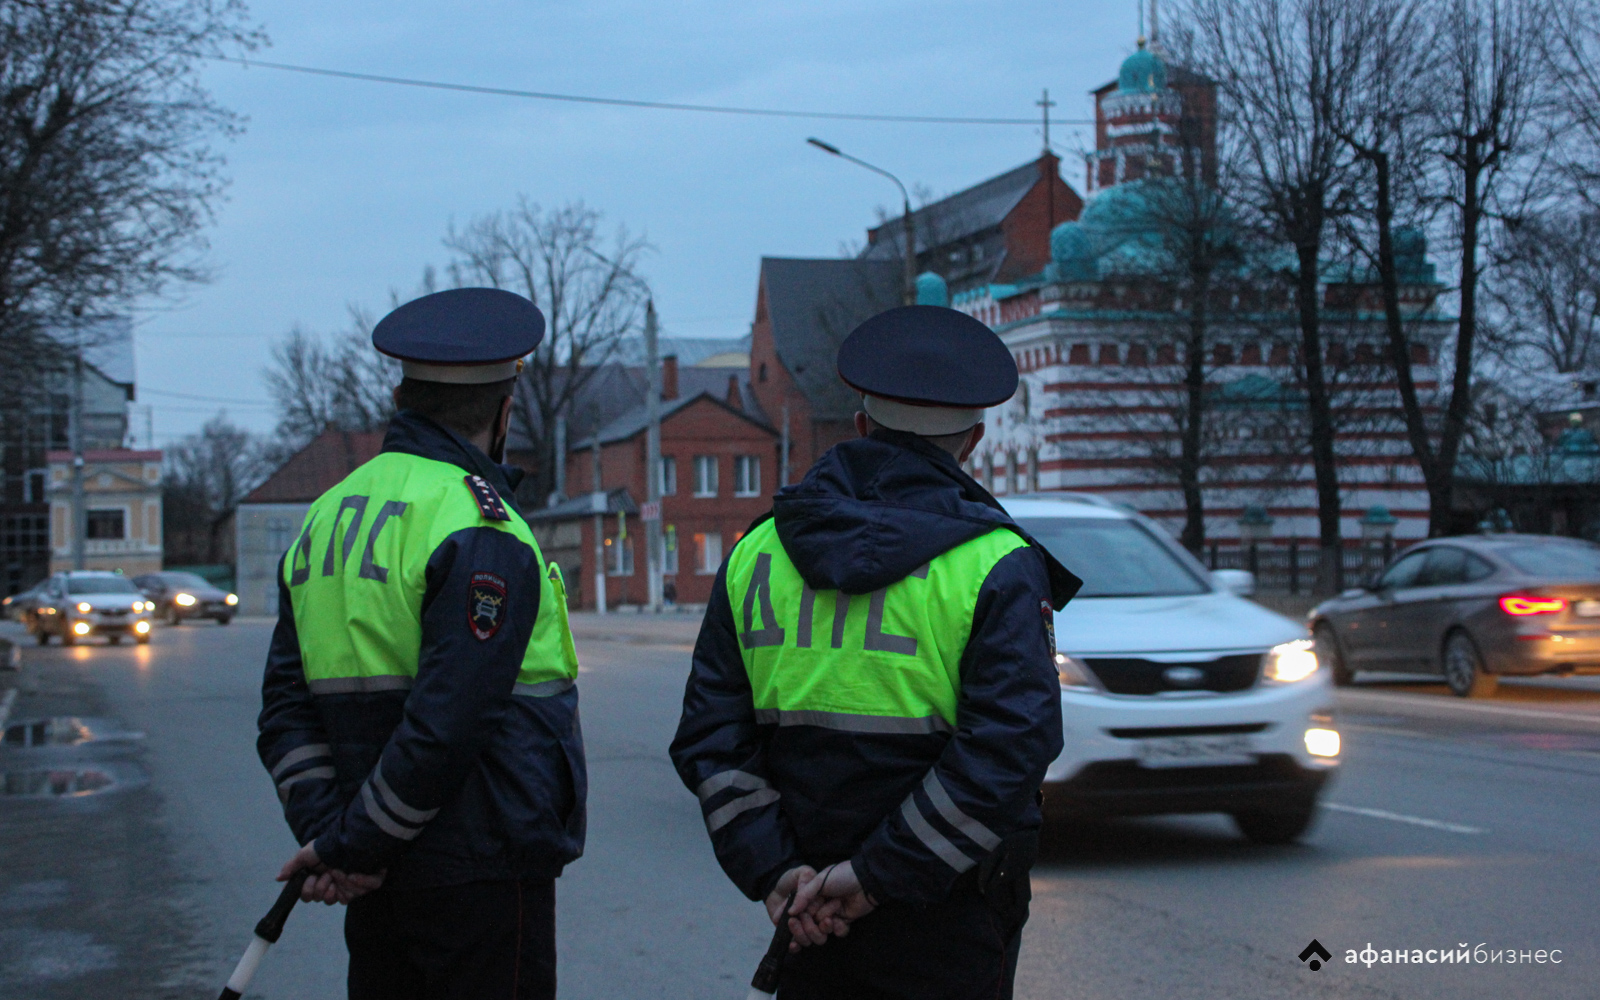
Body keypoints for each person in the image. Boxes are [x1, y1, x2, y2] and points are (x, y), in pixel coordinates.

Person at [669, 305, 1080, 999]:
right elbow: (1009, 750)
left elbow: (711, 741)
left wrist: (778, 872)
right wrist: (872, 878)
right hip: (946, 916)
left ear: (861, 425)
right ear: (974, 440)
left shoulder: (756, 553)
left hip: (805, 910)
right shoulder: (996, 564)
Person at [257, 287, 586, 1000]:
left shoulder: (326, 516)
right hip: (482, 868)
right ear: (506, 408)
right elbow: (448, 722)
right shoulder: (477, 523)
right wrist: (355, 846)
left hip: (371, 873)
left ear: (402, 396)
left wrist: (335, 838)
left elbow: (284, 711)